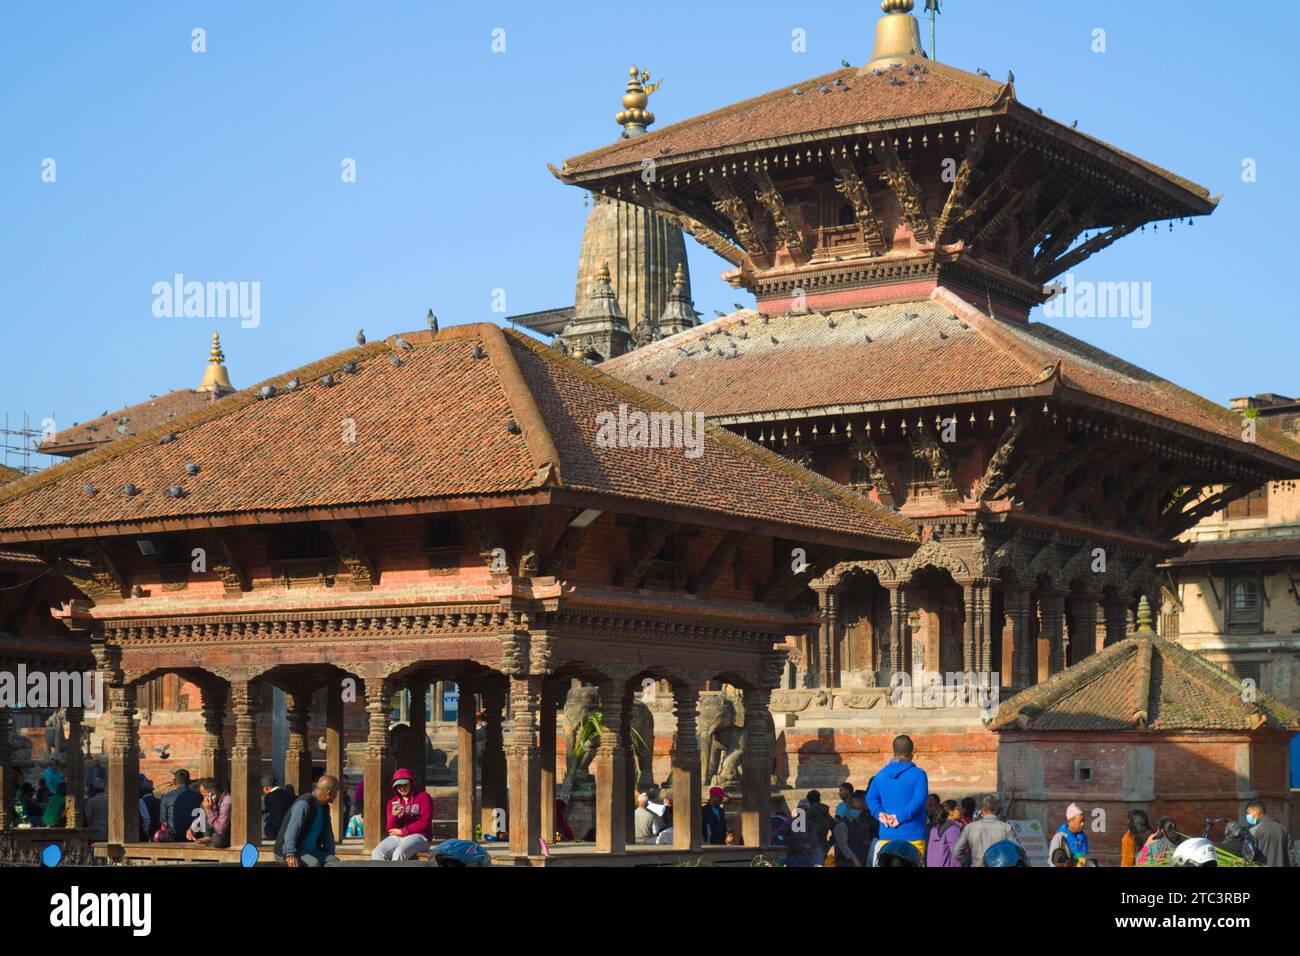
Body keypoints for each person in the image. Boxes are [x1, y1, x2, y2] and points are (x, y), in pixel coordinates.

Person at [866, 734, 929, 863]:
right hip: (912, 835)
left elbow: (871, 798)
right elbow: (919, 799)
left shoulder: (880, 774)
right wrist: (900, 817)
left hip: (886, 834)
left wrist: (879, 813)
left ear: (893, 752)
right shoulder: (919, 774)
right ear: (912, 752)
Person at [276, 774, 339, 866]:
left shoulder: (325, 807)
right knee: (314, 864)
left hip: (310, 851)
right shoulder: (304, 804)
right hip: (290, 851)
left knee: (334, 861)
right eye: (336, 792)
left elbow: (327, 833)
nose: (336, 795)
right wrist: (290, 854)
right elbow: (292, 830)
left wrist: (330, 853)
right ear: (329, 793)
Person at [371, 768, 433, 860]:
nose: (402, 788)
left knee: (399, 853)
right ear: (395, 787)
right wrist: (393, 816)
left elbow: (425, 822)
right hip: (397, 837)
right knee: (377, 853)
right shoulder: (393, 802)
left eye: (405, 785)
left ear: (411, 783)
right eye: (399, 786)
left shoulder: (423, 797)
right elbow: (390, 828)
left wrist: (402, 831)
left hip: (420, 836)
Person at [954, 794, 1016, 867]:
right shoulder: (1007, 828)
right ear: (998, 811)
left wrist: (970, 859)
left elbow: (956, 852)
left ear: (984, 809)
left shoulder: (970, 827)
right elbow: (1015, 850)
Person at [158, 769, 202, 842]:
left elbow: (163, 820)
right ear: (189, 781)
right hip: (194, 836)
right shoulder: (199, 797)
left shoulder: (166, 797)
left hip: (173, 836)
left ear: (175, 781)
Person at [1246, 799, 1292, 867]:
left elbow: (1249, 857)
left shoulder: (1253, 831)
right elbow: (1291, 856)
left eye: (1249, 813)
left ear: (1258, 813)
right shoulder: (1283, 829)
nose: (1247, 816)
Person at [188, 778, 232, 848]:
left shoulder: (227, 801)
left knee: (217, 840)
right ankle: (207, 836)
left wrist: (209, 810)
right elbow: (202, 817)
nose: (204, 798)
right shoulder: (214, 800)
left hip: (226, 832)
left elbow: (220, 829)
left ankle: (210, 838)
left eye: (205, 795)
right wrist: (192, 828)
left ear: (213, 794)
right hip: (216, 828)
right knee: (204, 804)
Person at [832, 793, 870, 867]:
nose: (856, 811)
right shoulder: (842, 825)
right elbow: (843, 845)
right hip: (845, 863)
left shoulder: (857, 823)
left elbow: (856, 840)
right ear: (848, 807)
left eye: (858, 809)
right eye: (853, 808)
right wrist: (854, 859)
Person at [927, 799, 964, 867]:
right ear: (950, 812)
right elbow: (957, 852)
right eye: (958, 809)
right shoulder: (953, 829)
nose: (961, 811)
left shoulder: (935, 828)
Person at [261, 773, 294, 840]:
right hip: (286, 830)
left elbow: (263, 810)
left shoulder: (268, 796)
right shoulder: (288, 795)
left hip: (271, 832)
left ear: (266, 788)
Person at [139, 775, 161, 841]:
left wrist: (146, 831)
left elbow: (146, 819)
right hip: (154, 833)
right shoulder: (158, 800)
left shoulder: (142, 800)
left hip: (149, 834)